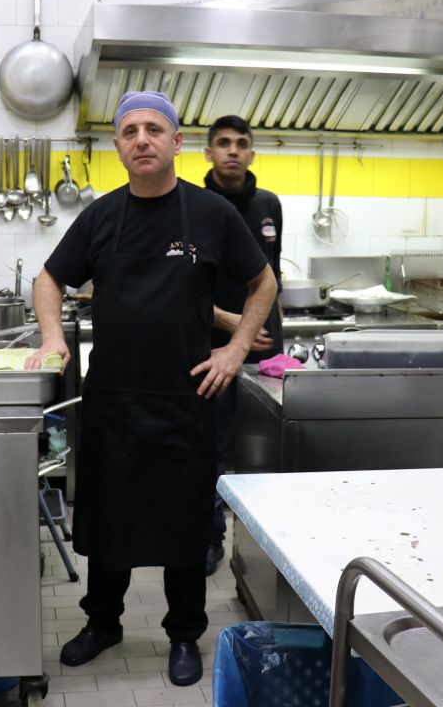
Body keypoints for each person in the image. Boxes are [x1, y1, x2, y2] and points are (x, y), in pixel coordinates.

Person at [26, 91, 277, 687]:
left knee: (184, 522)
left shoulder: (211, 214)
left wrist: (236, 348)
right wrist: (54, 337)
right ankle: (103, 622)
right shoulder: (101, 216)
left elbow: (263, 280)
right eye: (131, 131)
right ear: (117, 146)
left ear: (176, 143)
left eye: (154, 130)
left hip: (185, 397)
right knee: (110, 516)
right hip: (111, 397)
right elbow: (48, 278)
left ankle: (184, 633)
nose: (142, 139)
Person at [202, 115, 283, 577]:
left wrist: (276, 335)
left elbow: (272, 278)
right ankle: (212, 537)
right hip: (212, 349)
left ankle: (261, 550)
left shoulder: (269, 205)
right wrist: (234, 327)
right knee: (214, 448)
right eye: (223, 144)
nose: (233, 151)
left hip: (266, 356)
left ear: (251, 153)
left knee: (263, 453)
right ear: (208, 153)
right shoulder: (193, 205)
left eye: (241, 144)